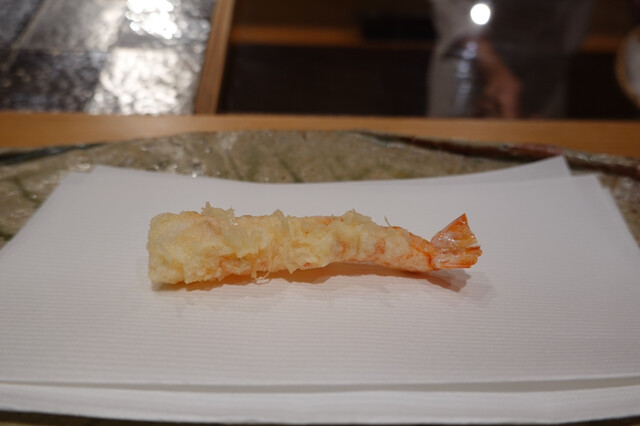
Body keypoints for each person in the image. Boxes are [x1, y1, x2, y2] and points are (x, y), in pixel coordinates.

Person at [427, 0, 594, 118]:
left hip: (544, 64)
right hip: (467, 61)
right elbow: (452, 8)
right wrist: (495, 70)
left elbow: (574, 17)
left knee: (544, 150)